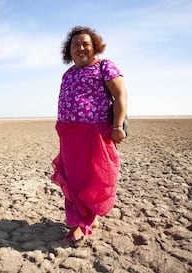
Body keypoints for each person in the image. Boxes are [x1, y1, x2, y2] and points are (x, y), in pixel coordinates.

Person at [51, 26, 128, 245]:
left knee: (92, 178)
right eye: (75, 45)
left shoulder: (105, 67)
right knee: (73, 178)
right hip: (69, 134)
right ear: (69, 50)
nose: (80, 48)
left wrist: (118, 126)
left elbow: (121, 96)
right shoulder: (68, 73)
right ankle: (83, 218)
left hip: (94, 132)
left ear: (94, 47)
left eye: (85, 43)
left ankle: (81, 224)